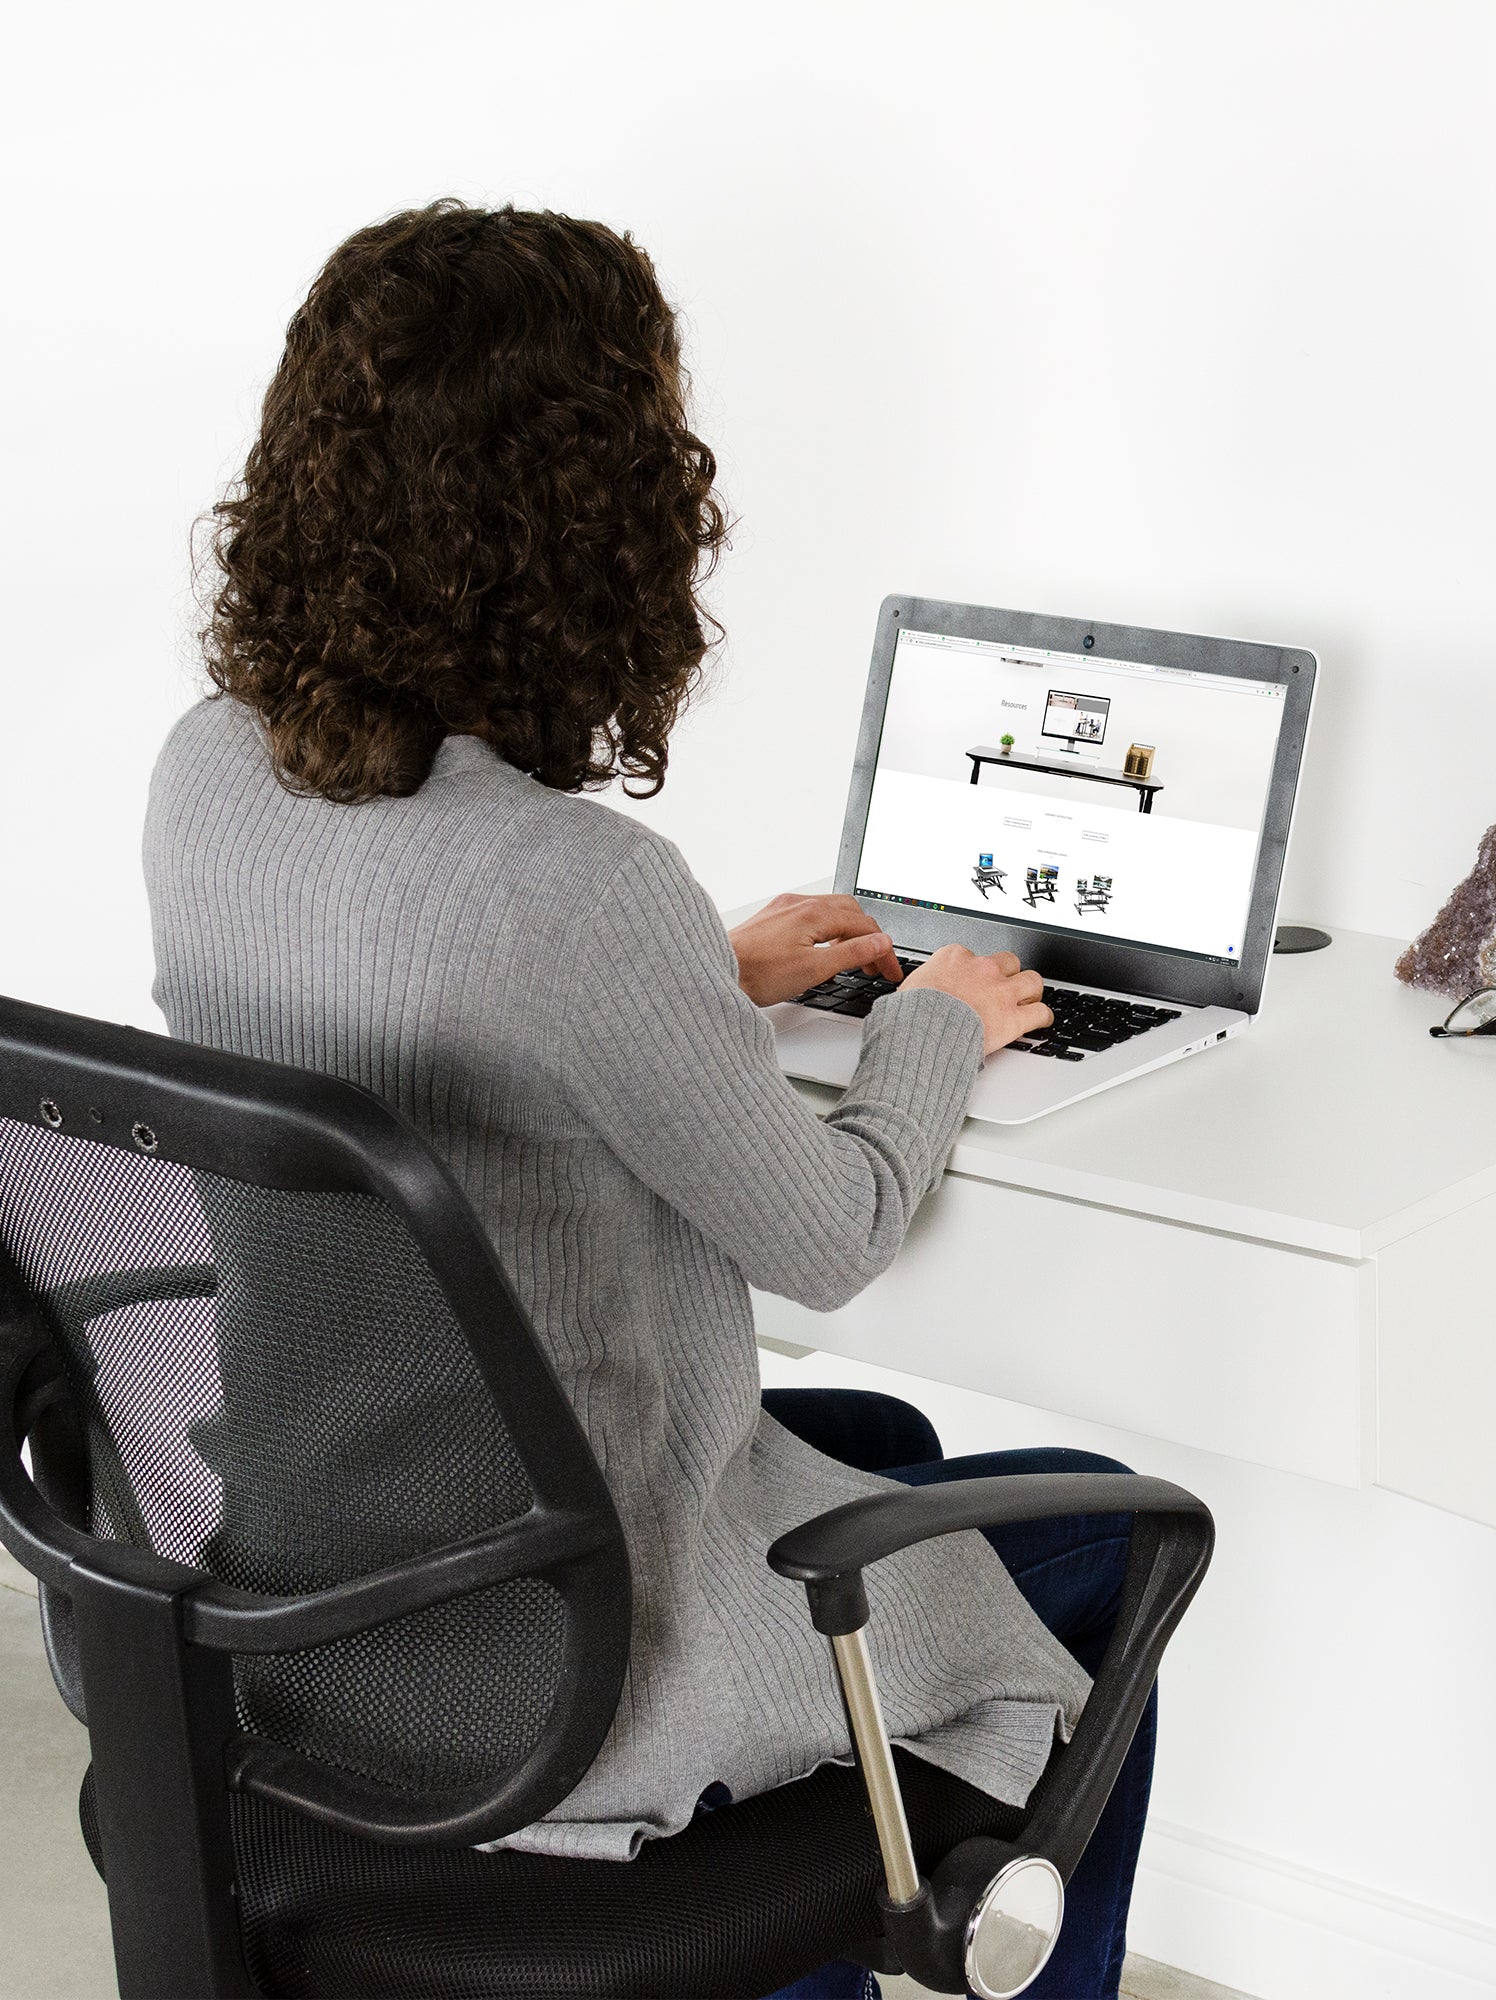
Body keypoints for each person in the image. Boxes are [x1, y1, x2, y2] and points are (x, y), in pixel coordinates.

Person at [144, 200, 1156, 1999]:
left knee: (890, 1461)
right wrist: (930, 1019)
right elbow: (833, 1232)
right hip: (547, 1686)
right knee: (1107, 1534)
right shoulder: (574, 891)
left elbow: (413, 1002)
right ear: (593, 521)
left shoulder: (207, 775)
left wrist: (707, 981)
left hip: (309, 1615)